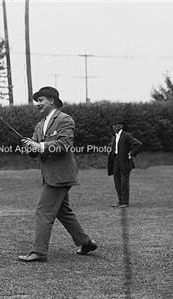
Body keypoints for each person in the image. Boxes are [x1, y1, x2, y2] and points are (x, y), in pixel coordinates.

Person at [18, 86, 98, 262]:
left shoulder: (64, 119)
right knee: (63, 211)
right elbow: (36, 150)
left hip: (61, 175)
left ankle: (39, 252)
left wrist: (41, 146)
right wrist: (30, 147)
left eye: (41, 100)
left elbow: (65, 144)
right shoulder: (40, 125)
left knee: (43, 211)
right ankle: (86, 242)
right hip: (49, 175)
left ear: (52, 100)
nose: (37, 104)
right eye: (37, 101)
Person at [107, 118, 142, 208]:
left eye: (117, 125)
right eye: (113, 125)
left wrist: (132, 153)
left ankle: (125, 202)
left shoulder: (127, 135)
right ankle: (120, 201)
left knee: (124, 183)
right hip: (115, 161)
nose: (114, 127)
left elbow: (138, 144)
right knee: (117, 182)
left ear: (121, 126)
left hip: (125, 161)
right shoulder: (114, 137)